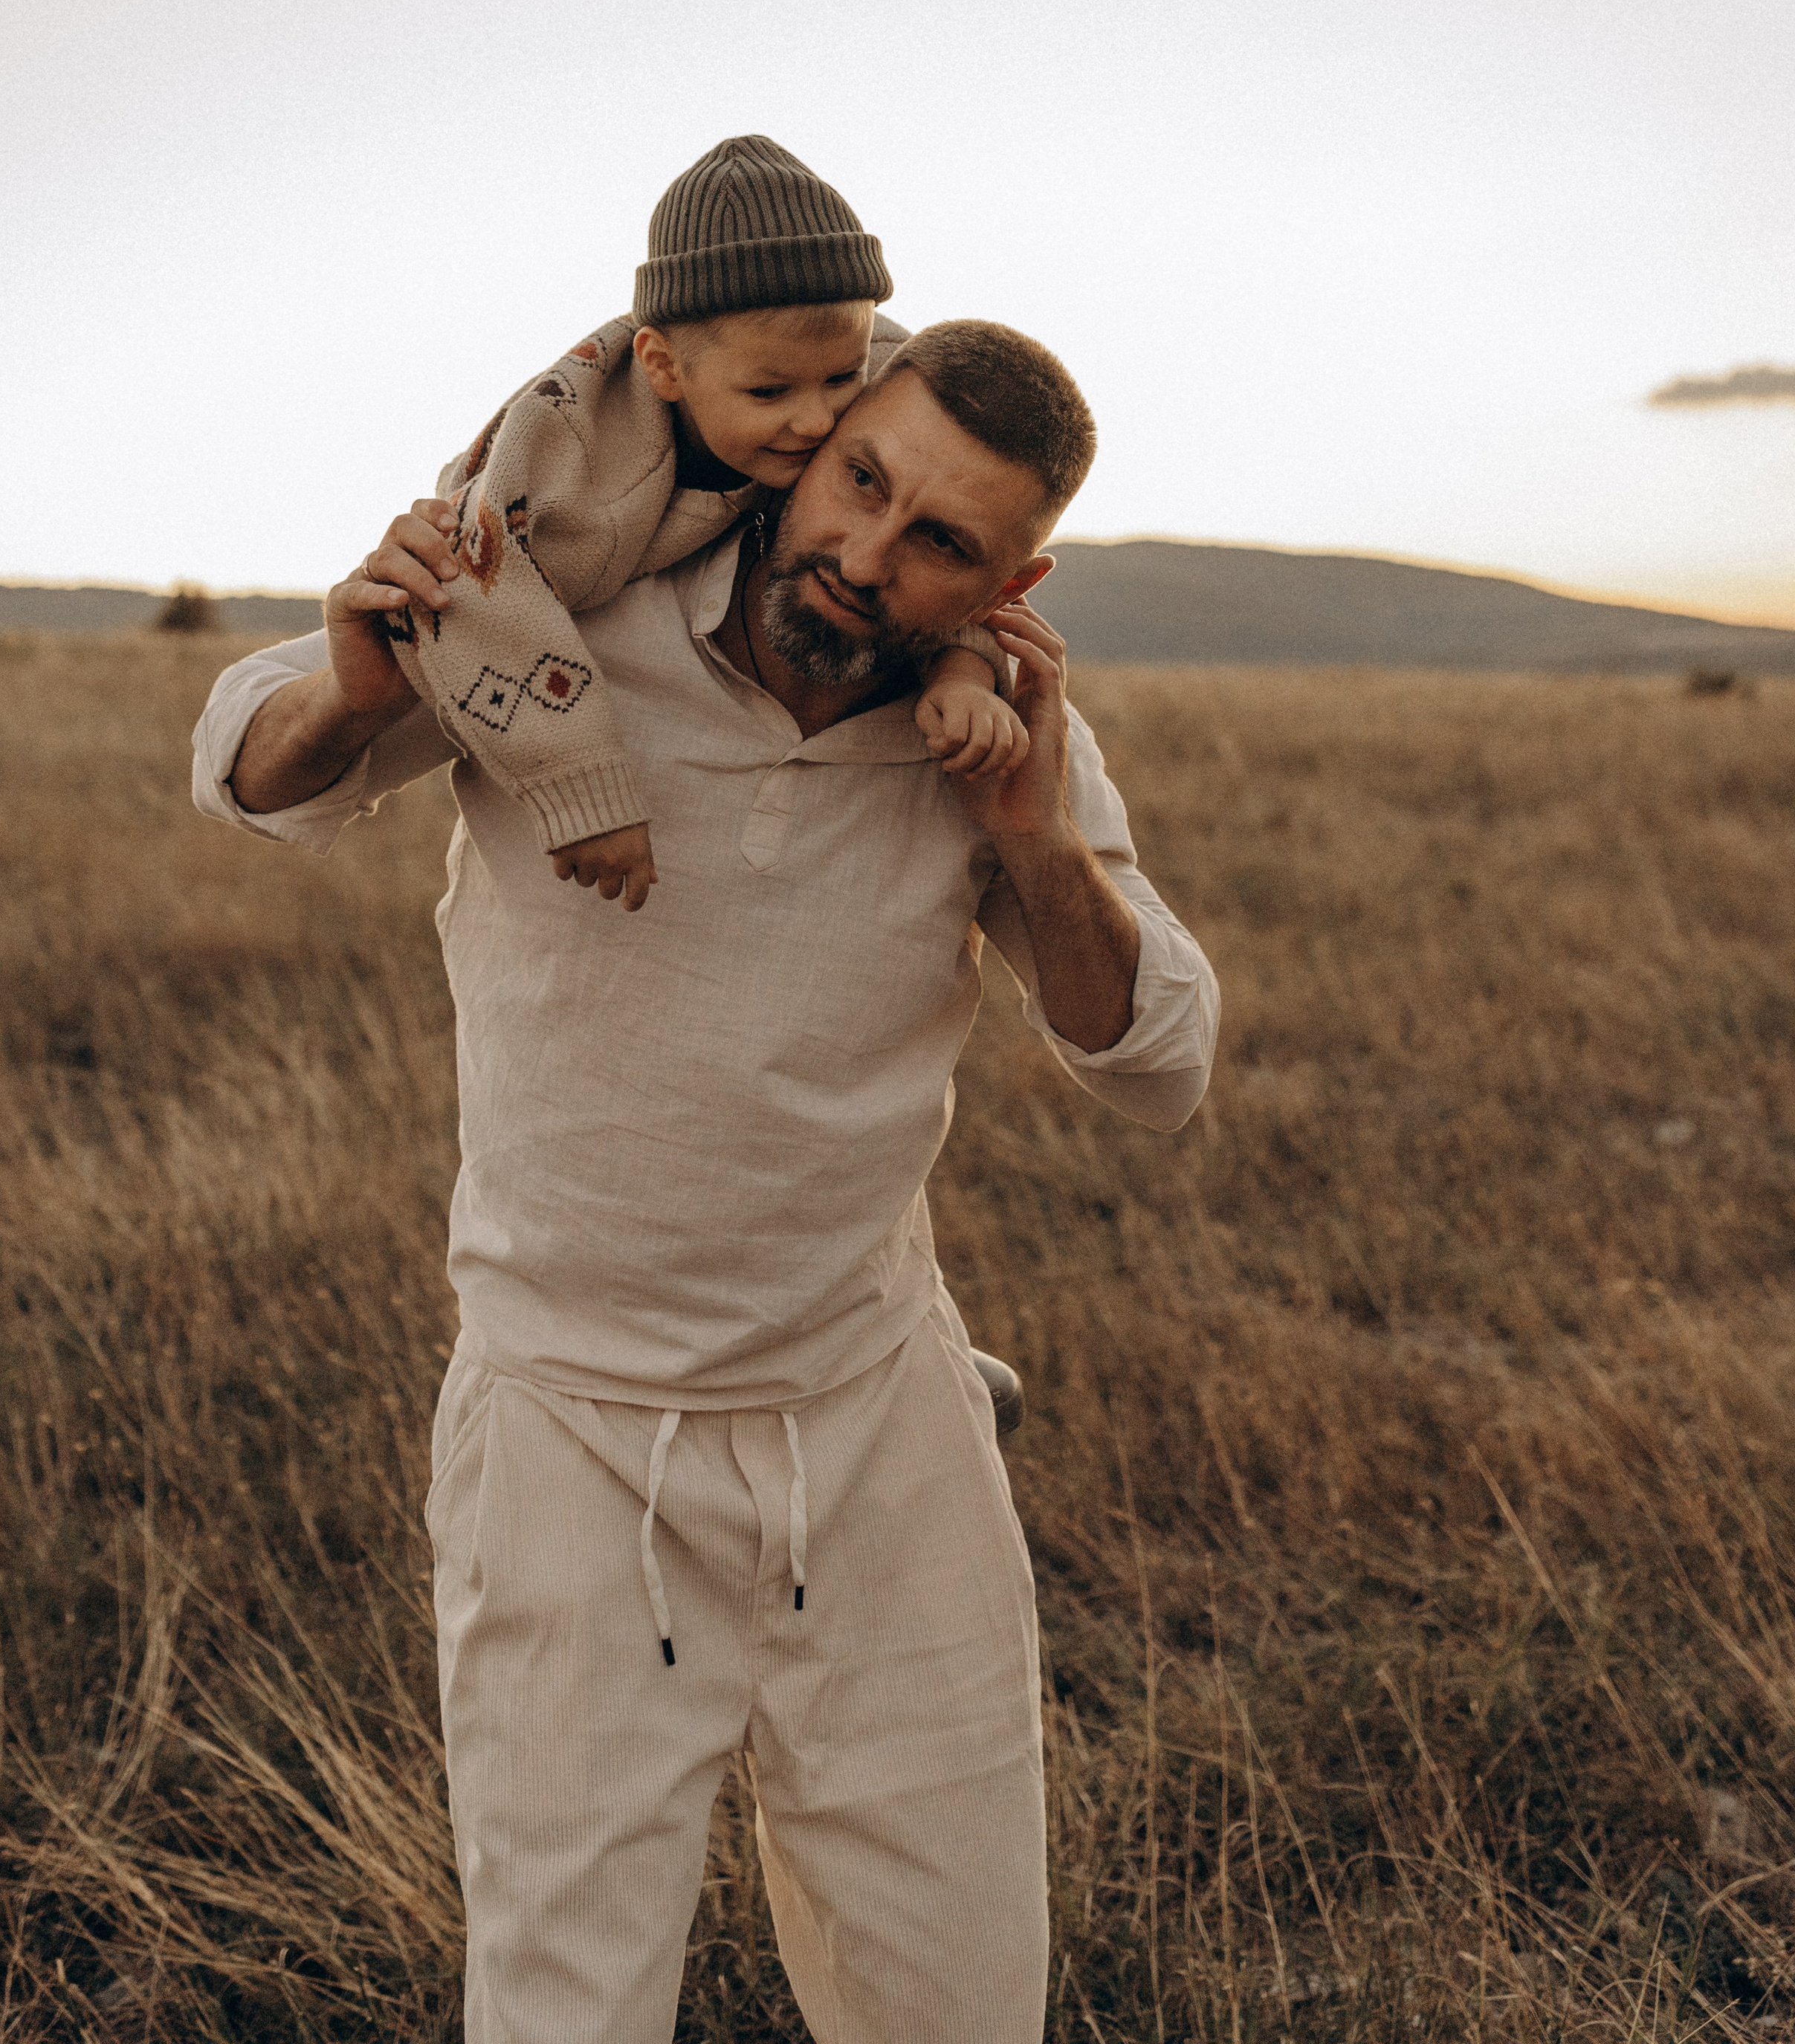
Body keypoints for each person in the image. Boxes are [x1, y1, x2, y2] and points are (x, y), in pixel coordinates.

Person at [191, 314, 1219, 2044]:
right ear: (804, 441)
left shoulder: (999, 736)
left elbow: (1157, 1061)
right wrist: (352, 690)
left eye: (938, 543)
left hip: (871, 1414)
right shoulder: (554, 625)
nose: (864, 552)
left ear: (1010, 574)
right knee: (564, 1997)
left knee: (951, 1989)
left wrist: (1036, 838)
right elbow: (251, 766)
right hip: (568, 1424)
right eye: (858, 480)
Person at [382, 132, 1022, 911]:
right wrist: (584, 797)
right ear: (663, 366)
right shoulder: (568, 466)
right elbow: (475, 597)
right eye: (769, 394)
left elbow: (963, 541)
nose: (817, 420)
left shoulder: (881, 376)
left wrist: (966, 671)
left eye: (839, 379)